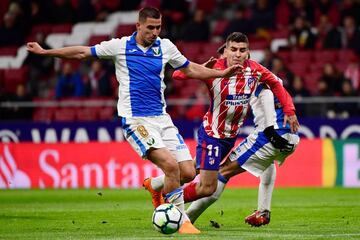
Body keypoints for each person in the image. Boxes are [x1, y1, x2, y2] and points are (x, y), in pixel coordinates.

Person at [26, 7, 240, 234]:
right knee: (169, 165)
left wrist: (221, 74)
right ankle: (183, 223)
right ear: (138, 26)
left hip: (162, 118)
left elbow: (191, 69)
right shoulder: (120, 46)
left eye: (158, 27)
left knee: (187, 172)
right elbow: (82, 52)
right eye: (150, 27)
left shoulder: (166, 47)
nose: (155, 32)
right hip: (136, 120)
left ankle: (154, 185)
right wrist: (45, 53)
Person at [143, 32, 299, 226]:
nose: (238, 54)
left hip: (229, 138)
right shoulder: (215, 68)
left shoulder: (255, 70)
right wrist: (201, 69)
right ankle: (169, 202)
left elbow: (276, 83)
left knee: (192, 170)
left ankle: (155, 184)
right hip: (212, 134)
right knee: (208, 187)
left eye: (242, 50)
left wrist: (289, 111)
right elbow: (177, 74)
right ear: (225, 51)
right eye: (233, 49)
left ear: (248, 53)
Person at [185, 82, 299, 226]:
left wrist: (270, 131)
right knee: (267, 164)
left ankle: (187, 217)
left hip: (272, 136)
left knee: (222, 172)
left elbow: (266, 93)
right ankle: (263, 212)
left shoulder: (254, 78)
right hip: (292, 136)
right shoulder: (274, 81)